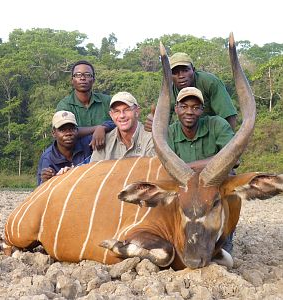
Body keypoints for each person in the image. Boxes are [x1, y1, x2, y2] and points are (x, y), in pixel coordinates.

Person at [168, 86, 235, 252]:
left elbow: (234, 159)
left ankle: (225, 237)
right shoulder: (169, 132)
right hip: (185, 191)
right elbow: (163, 167)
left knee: (231, 183)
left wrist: (187, 168)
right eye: (184, 107)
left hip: (212, 188)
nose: (189, 112)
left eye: (195, 107)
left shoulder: (217, 124)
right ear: (176, 109)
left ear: (202, 110)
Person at [145, 52, 237, 132]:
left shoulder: (209, 82)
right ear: (169, 75)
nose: (181, 76)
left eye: (185, 70)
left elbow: (228, 116)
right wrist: (154, 124)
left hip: (213, 133)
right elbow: (161, 123)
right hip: (187, 136)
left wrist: (227, 142)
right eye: (175, 72)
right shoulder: (169, 92)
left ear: (193, 69)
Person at [56, 60, 115, 151]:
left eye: (87, 75)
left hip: (107, 153)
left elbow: (120, 121)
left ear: (93, 80)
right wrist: (97, 128)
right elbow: (66, 132)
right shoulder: (65, 105)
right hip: (76, 155)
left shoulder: (107, 101)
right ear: (72, 80)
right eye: (78, 75)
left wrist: (104, 127)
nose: (82, 78)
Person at [90, 91, 155, 161]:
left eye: (127, 110)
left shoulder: (151, 138)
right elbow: (94, 169)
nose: (122, 116)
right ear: (111, 115)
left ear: (137, 112)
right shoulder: (104, 140)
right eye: (116, 111)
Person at [37, 110, 91, 185]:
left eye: (71, 129)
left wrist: (100, 129)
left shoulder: (88, 145)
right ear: (53, 133)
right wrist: (45, 179)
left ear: (77, 130)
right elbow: (41, 189)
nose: (68, 133)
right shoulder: (48, 158)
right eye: (62, 130)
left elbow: (111, 125)